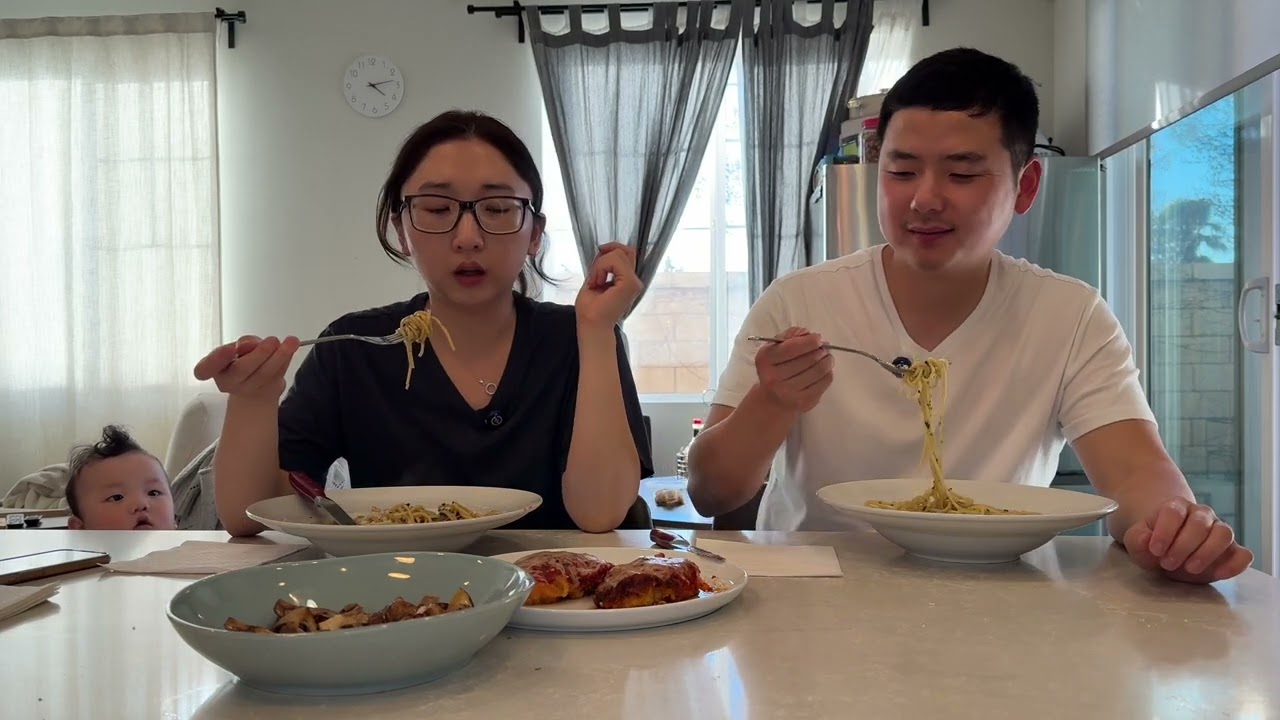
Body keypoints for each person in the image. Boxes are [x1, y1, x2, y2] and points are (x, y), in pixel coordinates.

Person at [688, 47, 1253, 584]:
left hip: (996, 597)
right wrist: (773, 401)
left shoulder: (1069, 314)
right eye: (902, 172)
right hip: (815, 602)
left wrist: (1173, 528)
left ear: (1025, 185)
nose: (925, 199)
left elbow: (1134, 473)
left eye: (961, 174)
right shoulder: (800, 301)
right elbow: (712, 492)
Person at [195, 110, 653, 537]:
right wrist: (252, 400)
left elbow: (601, 513)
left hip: (556, 602)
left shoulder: (577, 339)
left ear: (534, 234)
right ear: (401, 228)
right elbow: (246, 515)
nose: (468, 237)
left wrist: (595, 332)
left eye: (497, 209)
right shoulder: (353, 350)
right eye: (437, 209)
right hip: (400, 599)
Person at [66, 425, 177, 530]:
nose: (141, 504)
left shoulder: (189, 548)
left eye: (154, 493)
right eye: (117, 497)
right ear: (80, 529)